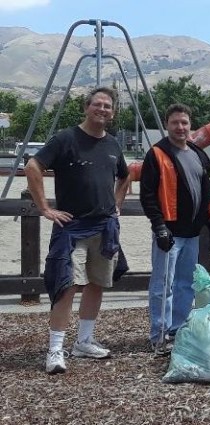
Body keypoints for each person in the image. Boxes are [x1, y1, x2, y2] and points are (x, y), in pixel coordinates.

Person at [25, 87, 130, 374]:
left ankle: (84, 341)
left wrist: (117, 205)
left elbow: (125, 176)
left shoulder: (112, 144)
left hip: (104, 227)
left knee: (97, 283)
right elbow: (33, 166)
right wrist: (45, 208)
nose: (103, 109)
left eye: (108, 106)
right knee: (66, 286)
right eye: (97, 104)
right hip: (73, 228)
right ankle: (55, 349)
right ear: (86, 107)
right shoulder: (65, 139)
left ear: (112, 112)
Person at [140, 103, 210, 355]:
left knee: (186, 283)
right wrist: (159, 226)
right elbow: (148, 195)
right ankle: (159, 333)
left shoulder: (197, 154)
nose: (180, 127)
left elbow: (206, 193)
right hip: (169, 232)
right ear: (167, 124)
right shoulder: (157, 154)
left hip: (192, 232)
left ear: (190, 125)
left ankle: (178, 328)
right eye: (175, 123)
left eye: (184, 122)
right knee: (163, 284)